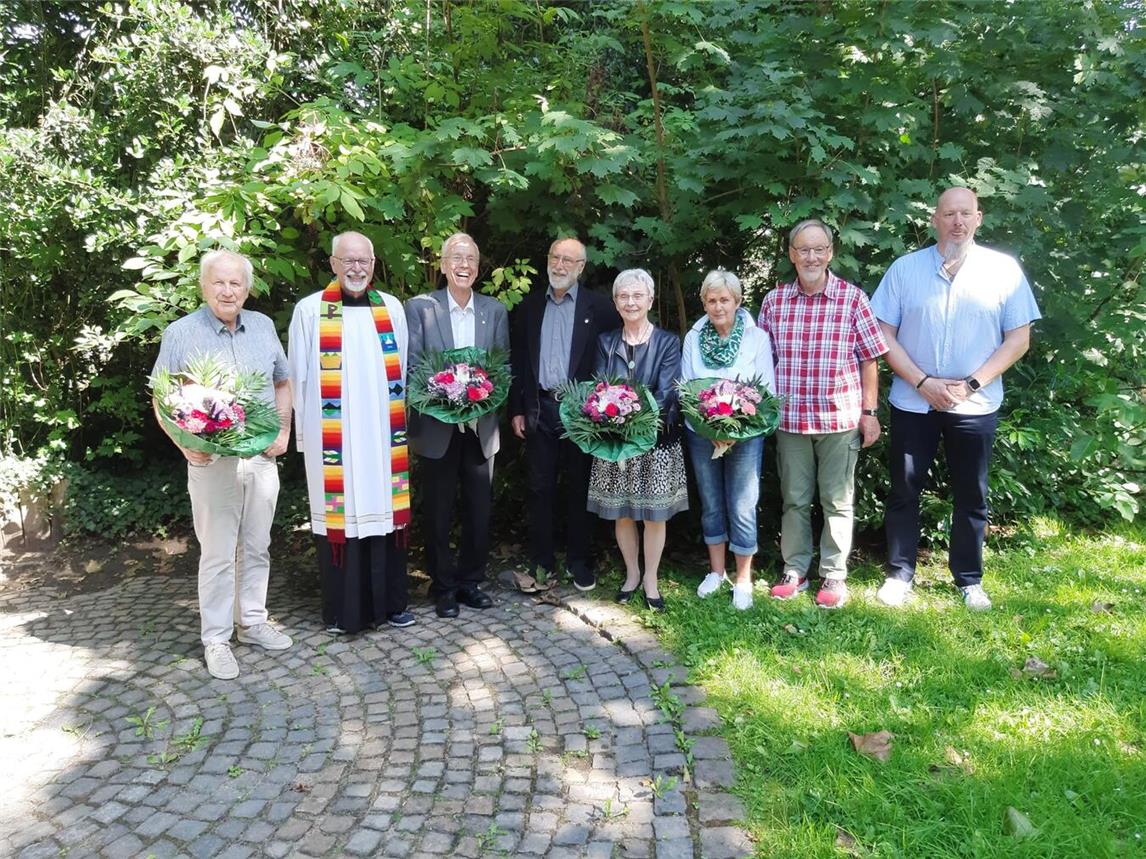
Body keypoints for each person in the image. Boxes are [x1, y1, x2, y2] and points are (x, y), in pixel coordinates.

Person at [870, 187, 1041, 611]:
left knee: (971, 494)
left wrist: (971, 384)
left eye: (965, 214)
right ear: (935, 219)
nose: (957, 222)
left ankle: (969, 579)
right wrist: (923, 380)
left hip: (975, 404)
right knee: (905, 490)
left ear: (979, 218)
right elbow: (881, 334)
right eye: (949, 214)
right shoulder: (905, 270)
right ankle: (899, 575)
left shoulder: (1004, 271)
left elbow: (1019, 338)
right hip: (913, 400)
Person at [151, 249, 293, 680]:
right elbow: (162, 396)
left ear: (247, 289)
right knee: (216, 553)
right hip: (212, 462)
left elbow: (282, 381)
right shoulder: (182, 333)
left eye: (235, 283)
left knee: (257, 545)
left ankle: (251, 622)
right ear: (203, 286)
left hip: (260, 460)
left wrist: (283, 431)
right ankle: (215, 638)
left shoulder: (264, 327)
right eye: (219, 282)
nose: (228, 290)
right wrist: (183, 444)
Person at [287, 231, 415, 633]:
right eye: (349, 261)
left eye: (364, 261)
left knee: (384, 518)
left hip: (381, 437)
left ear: (374, 265)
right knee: (342, 520)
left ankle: (392, 606)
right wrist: (306, 439)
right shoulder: (309, 311)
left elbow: (404, 369)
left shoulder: (390, 309)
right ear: (333, 264)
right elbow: (298, 380)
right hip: (334, 441)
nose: (356, 268)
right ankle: (344, 613)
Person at [758, 220, 888, 609]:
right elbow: (763, 361)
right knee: (794, 499)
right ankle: (794, 570)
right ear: (791, 255)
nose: (811, 257)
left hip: (839, 419)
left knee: (837, 501)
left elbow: (870, 360)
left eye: (818, 249)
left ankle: (833, 574)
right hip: (790, 420)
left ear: (830, 253)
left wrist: (870, 412)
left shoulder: (852, 299)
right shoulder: (774, 301)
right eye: (803, 250)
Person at [405, 233, 509, 618]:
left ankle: (470, 582)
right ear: (444, 265)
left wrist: (479, 395)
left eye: (471, 259)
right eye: (457, 258)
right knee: (438, 510)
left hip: (481, 429)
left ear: (478, 268)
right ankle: (443, 586)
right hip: (437, 428)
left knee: (479, 510)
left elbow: (502, 368)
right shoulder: (420, 308)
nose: (464, 266)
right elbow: (413, 367)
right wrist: (446, 399)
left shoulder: (494, 310)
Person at [509, 237, 621, 592]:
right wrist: (516, 409)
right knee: (539, 487)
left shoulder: (600, 308)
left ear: (581, 267)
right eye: (555, 258)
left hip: (581, 412)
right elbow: (518, 362)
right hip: (538, 407)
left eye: (568, 260)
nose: (559, 265)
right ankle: (541, 560)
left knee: (579, 487)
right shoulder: (529, 307)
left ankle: (579, 561)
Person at [587, 269, 688, 611]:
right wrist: (617, 421)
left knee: (654, 516)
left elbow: (667, 393)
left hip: (656, 442)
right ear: (615, 302)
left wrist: (632, 418)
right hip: (615, 444)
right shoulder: (605, 342)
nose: (630, 302)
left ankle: (651, 579)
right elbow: (601, 387)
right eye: (623, 296)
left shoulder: (668, 342)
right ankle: (631, 574)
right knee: (623, 514)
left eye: (637, 296)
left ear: (650, 300)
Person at [683, 270, 776, 611]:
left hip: (745, 436)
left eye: (725, 300)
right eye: (711, 300)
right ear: (704, 303)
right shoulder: (693, 337)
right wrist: (709, 427)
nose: (718, 306)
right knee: (711, 502)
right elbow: (686, 388)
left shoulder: (757, 339)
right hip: (701, 434)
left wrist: (735, 430)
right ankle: (716, 571)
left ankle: (743, 578)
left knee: (742, 505)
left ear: (737, 301)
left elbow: (766, 391)